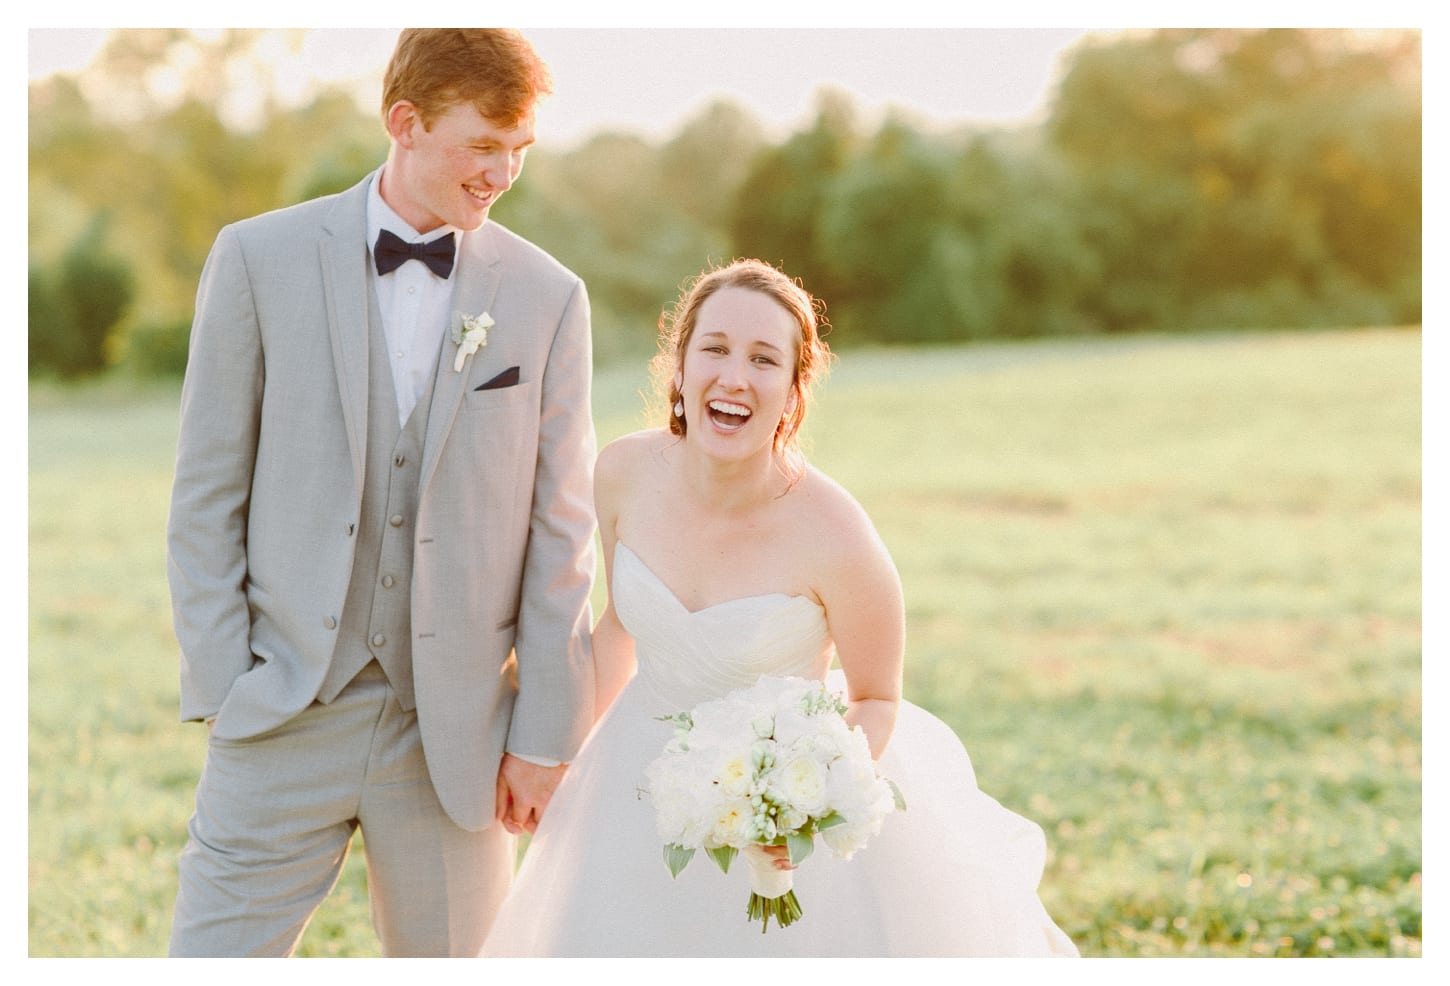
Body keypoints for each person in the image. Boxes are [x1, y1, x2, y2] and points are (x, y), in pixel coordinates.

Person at [479, 259, 1079, 957]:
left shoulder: (836, 533)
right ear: (679, 367)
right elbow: (620, 630)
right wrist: (560, 754)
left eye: (764, 360)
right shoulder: (621, 474)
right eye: (715, 349)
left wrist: (802, 805)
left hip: (779, 812)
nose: (734, 377)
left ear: (794, 392)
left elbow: (877, 696)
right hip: (635, 787)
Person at [165, 28, 597, 957]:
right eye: (485, 144)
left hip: (456, 739)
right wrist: (226, 683)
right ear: (405, 122)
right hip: (281, 710)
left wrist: (544, 731)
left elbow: (562, 529)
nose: (503, 175)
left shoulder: (547, 295)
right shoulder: (256, 259)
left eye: (520, 151)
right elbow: (207, 493)